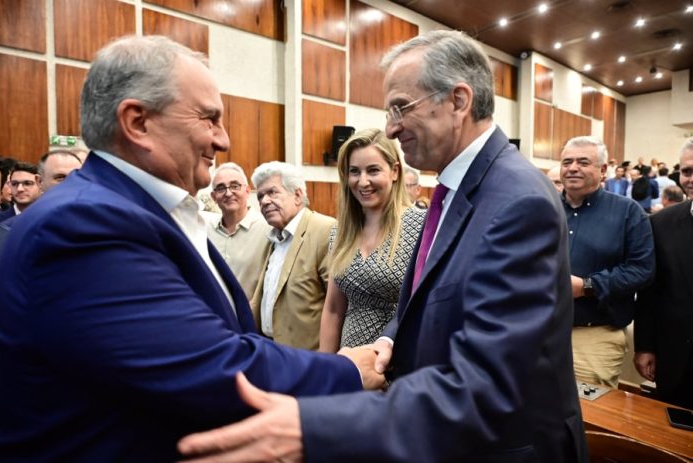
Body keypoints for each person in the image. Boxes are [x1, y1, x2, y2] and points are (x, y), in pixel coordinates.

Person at [178, 29, 588, 463]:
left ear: (458, 101)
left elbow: (491, 381)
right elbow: (421, 302)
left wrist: (318, 424)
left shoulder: (517, 201)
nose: (391, 126)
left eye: (400, 107)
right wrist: (388, 342)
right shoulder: (455, 192)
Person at [0, 35, 384, 462]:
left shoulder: (141, 211)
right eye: (209, 118)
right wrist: (346, 371)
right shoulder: (84, 223)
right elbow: (210, 367)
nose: (223, 139)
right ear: (137, 122)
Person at [560, 136, 654, 388]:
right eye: (567, 162)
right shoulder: (543, 208)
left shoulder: (628, 212)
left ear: (603, 170)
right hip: (537, 330)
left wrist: (588, 286)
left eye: (583, 162)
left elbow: (641, 270)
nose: (573, 168)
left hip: (594, 336)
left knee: (585, 410)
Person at [319, 128, 424, 352]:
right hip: (349, 362)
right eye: (354, 172)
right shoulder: (341, 231)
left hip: (398, 360)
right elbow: (334, 309)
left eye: (373, 170)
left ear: (394, 171)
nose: (363, 181)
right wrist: (327, 365)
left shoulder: (420, 226)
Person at [634, 138, 693, 409]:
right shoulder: (660, 224)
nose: (691, 178)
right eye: (687, 171)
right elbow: (650, 291)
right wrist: (644, 346)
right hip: (676, 361)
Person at [250, 161, 335, 350]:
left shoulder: (325, 230)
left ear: (297, 195)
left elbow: (339, 306)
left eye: (272, 192)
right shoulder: (272, 238)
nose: (264, 201)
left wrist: (327, 359)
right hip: (271, 351)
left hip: (310, 357)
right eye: (260, 196)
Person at [206, 162, 271, 299]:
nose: (228, 193)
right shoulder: (205, 231)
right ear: (213, 197)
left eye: (235, 186)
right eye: (221, 188)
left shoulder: (268, 230)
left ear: (247, 191)